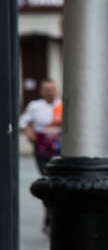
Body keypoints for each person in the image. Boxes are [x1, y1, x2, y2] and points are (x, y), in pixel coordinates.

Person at [19, 78, 62, 235]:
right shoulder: (35, 106)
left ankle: (52, 218)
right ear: (42, 91)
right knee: (49, 184)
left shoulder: (62, 106)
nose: (50, 92)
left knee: (60, 185)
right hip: (43, 152)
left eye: (52, 89)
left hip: (61, 152)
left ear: (56, 90)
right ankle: (50, 219)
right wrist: (29, 132)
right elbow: (23, 121)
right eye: (47, 89)